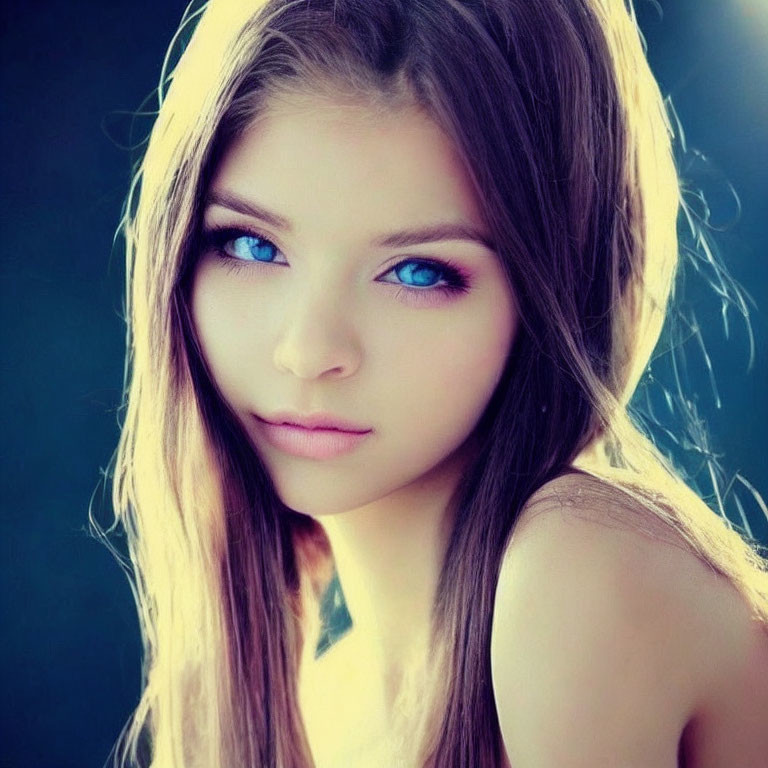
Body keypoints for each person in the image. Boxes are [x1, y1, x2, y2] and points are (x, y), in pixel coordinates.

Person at [98, 0, 768, 766]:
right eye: (251, 245)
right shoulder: (323, 711)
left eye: (418, 271)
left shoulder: (579, 573)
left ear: (553, 292)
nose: (309, 349)